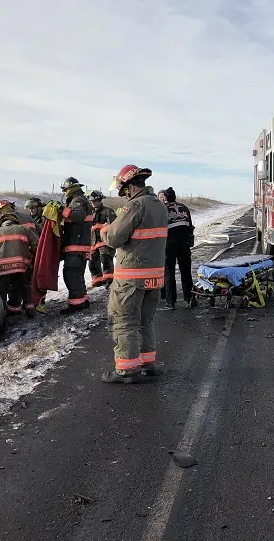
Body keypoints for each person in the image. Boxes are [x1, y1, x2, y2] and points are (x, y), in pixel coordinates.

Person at [100, 164, 168, 384]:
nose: (123, 193)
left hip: (131, 277)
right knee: (145, 322)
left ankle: (127, 370)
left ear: (128, 186)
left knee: (124, 322)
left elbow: (113, 238)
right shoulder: (159, 205)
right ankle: (147, 365)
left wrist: (103, 230)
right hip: (154, 277)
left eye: (123, 188)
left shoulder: (135, 206)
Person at [0, 213, 39, 318]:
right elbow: (37, 244)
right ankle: (30, 311)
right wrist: (33, 259)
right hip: (21, 266)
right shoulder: (24, 229)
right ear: (15, 222)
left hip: (2, 269)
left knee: (2, 291)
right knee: (25, 287)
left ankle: (2, 314)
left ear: (2, 223)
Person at [59, 177, 93, 315]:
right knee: (78, 275)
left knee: (71, 275)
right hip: (80, 246)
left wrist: (62, 209)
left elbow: (76, 216)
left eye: (65, 189)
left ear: (72, 188)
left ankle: (76, 304)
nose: (64, 192)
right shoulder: (79, 199)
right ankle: (83, 300)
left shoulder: (77, 201)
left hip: (76, 246)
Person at [160, 187, 195, 310]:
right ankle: (189, 299)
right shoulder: (184, 208)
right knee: (186, 271)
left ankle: (170, 302)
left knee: (169, 273)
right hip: (184, 243)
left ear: (165, 198)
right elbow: (190, 225)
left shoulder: (163, 209)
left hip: (169, 244)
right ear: (175, 196)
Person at [88, 190, 117, 289]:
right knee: (92, 263)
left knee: (105, 260)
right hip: (92, 242)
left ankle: (109, 281)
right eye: (91, 201)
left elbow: (115, 225)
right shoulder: (89, 213)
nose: (93, 203)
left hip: (104, 241)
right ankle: (97, 281)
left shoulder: (108, 211)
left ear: (100, 200)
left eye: (95, 201)